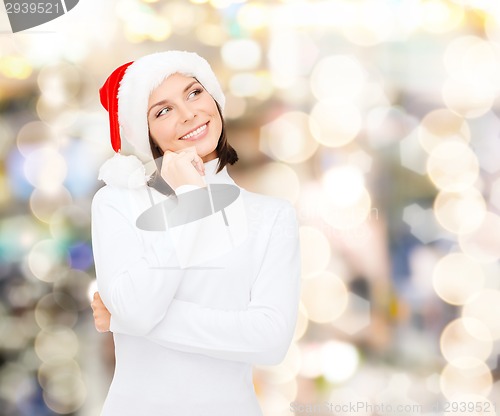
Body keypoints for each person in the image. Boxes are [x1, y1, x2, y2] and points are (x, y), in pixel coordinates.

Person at [90, 50, 301, 416]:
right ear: (146, 133)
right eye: (163, 110)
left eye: (194, 93)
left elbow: (270, 341)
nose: (188, 113)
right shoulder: (116, 202)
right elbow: (139, 312)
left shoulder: (272, 217)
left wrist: (122, 318)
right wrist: (187, 201)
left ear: (215, 99)